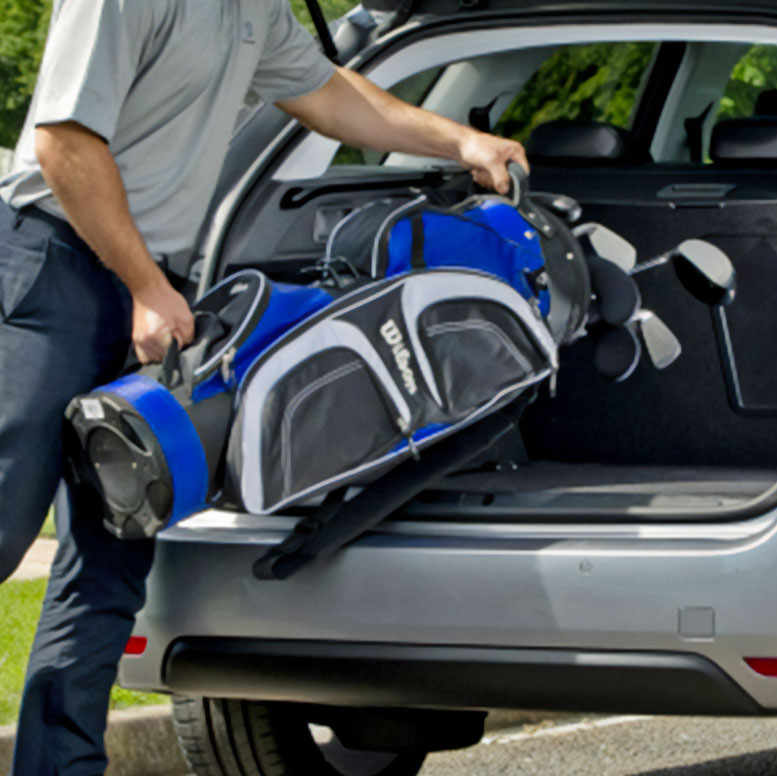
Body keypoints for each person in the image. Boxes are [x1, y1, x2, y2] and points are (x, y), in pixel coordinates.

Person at [0, 0, 527, 771]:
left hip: (150, 286)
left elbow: (336, 96)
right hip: (56, 266)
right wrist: (145, 285)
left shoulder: (252, 10)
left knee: (111, 557)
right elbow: (64, 144)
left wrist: (461, 139)